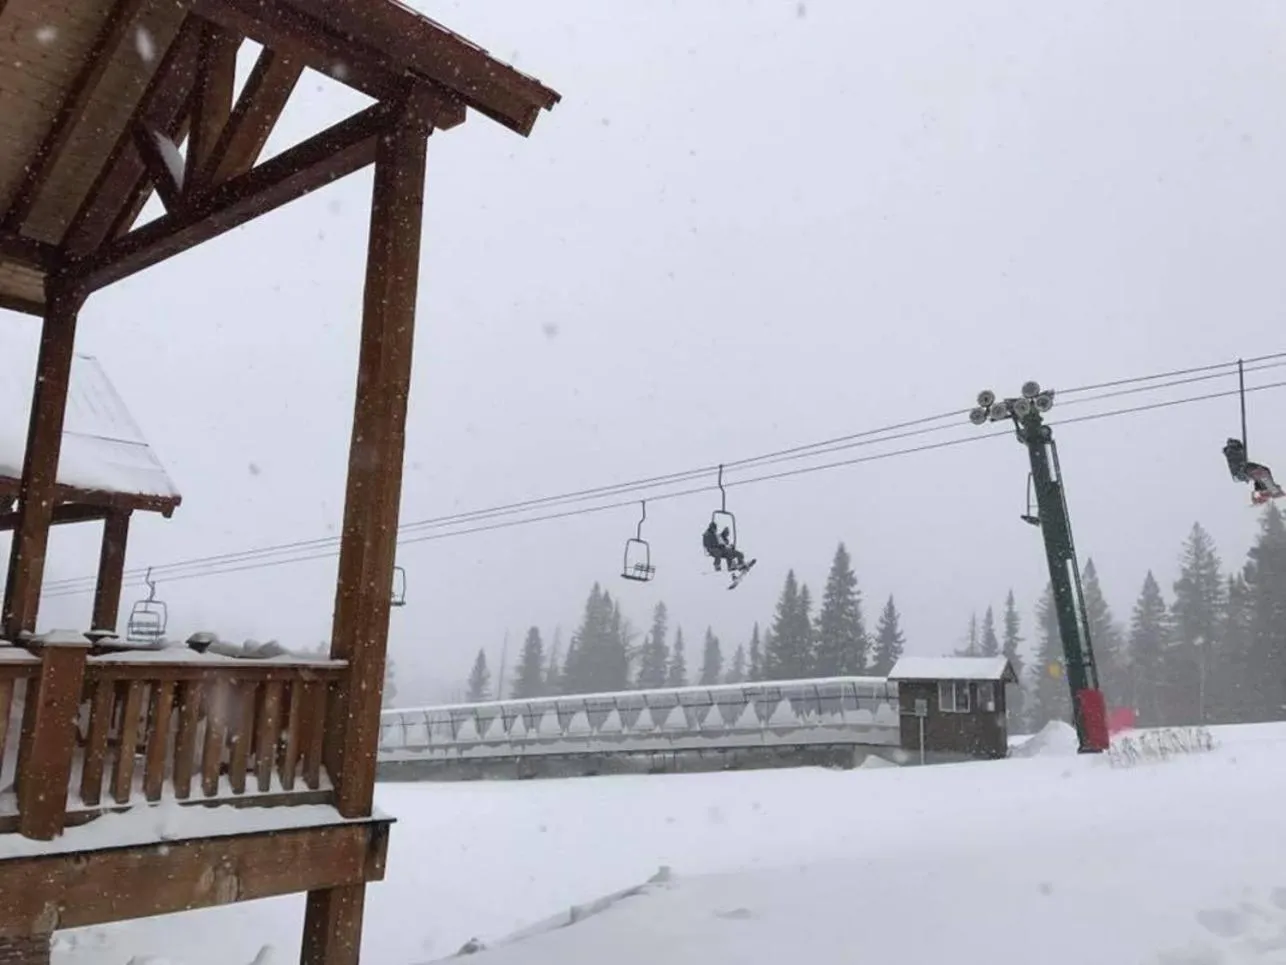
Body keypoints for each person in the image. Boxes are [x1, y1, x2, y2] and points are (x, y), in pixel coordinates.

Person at [1223, 437, 1283, 503]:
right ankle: (1271, 490)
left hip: (1243, 469)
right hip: (1241, 470)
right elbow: (1235, 460)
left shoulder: (1235, 453)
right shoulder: (1231, 452)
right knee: (1260, 472)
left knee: (1264, 470)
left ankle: (1262, 490)